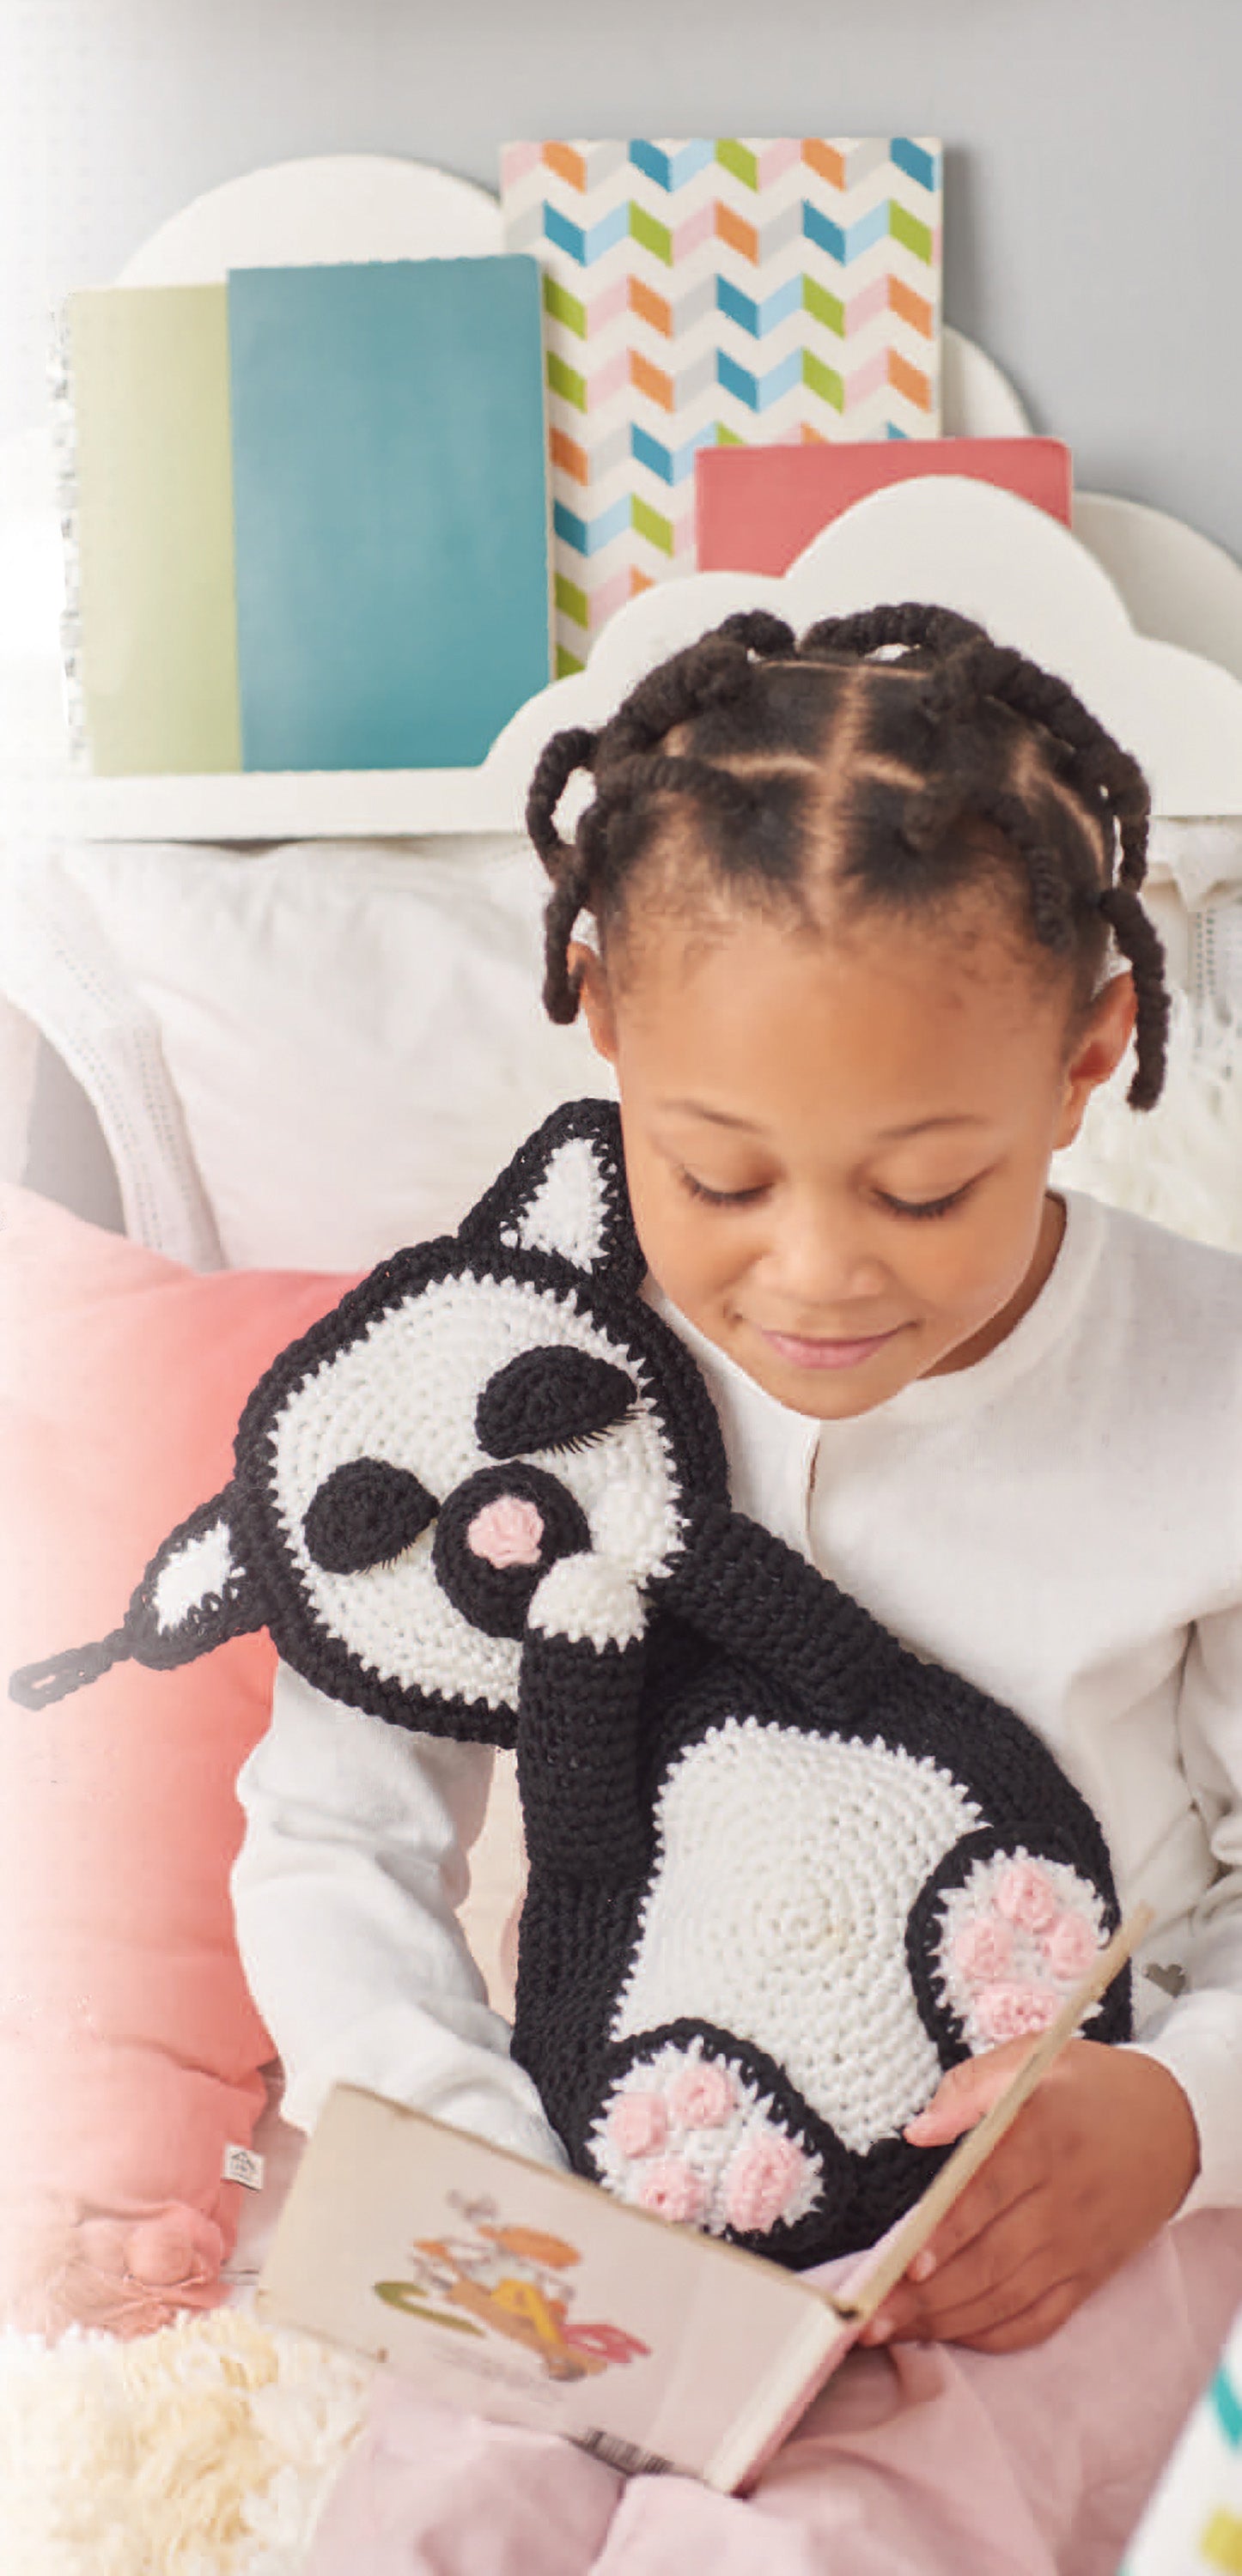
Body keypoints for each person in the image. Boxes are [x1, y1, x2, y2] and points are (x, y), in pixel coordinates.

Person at [233, 605, 1242, 2573]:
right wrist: (486, 2180)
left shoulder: (1211, 1397)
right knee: (437, 2525)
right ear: (603, 1019)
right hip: (582, 2202)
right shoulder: (501, 1370)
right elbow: (325, 1839)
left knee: (816, 2547)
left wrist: (1183, 2118)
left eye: (926, 1190)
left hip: (1023, 2229)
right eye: (717, 1179)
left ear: (1089, 1057)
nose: (816, 1277)